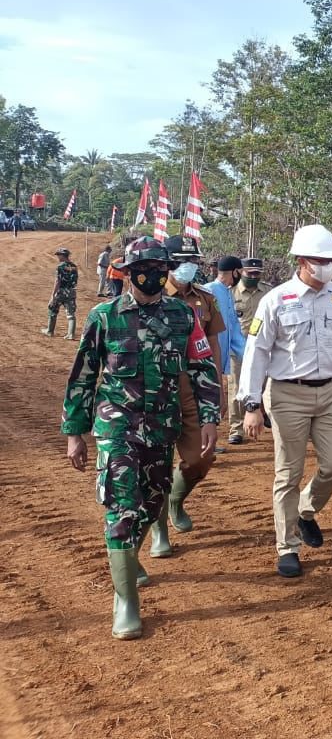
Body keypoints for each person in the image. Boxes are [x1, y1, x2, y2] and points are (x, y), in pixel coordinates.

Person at [61, 236, 219, 639]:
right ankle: (126, 600)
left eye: (159, 268)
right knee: (122, 506)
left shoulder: (183, 316)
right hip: (117, 427)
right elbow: (83, 376)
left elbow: (202, 369)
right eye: (142, 269)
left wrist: (209, 418)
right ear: (128, 273)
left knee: (152, 501)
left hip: (161, 426)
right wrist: (75, 433)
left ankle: (131, 561)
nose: (151, 275)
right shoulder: (104, 316)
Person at [237, 224, 332, 578]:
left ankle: (305, 511)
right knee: (289, 473)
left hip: (331, 391)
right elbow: (257, 353)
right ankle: (287, 547)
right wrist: (252, 405)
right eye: (321, 260)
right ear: (301, 261)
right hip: (287, 394)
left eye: (331, 260)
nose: (328, 266)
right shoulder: (276, 300)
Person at [148, 235, 226, 556]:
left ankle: (176, 500)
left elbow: (212, 344)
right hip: (157, 390)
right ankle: (158, 531)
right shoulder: (148, 295)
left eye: (193, 262)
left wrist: (218, 386)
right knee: (156, 464)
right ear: (166, 263)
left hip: (194, 388)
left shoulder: (205, 299)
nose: (188, 267)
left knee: (201, 459)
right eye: (182, 261)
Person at [227, 257, 270, 445]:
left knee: (266, 386)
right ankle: (236, 428)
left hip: (264, 348)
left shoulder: (269, 293)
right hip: (238, 348)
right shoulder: (230, 293)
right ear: (240, 272)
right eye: (249, 273)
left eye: (257, 273)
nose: (253, 276)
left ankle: (266, 415)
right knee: (237, 388)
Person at [208, 256, 247, 452]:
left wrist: (247, 355)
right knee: (209, 399)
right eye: (239, 272)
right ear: (234, 272)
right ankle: (203, 444)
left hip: (220, 357)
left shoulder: (227, 293)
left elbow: (233, 329)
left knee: (214, 399)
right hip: (207, 358)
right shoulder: (210, 291)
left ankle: (207, 442)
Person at [41, 248, 80, 340]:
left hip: (61, 291)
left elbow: (57, 281)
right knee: (71, 313)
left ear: (63, 255)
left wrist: (53, 295)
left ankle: (50, 331)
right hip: (71, 291)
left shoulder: (60, 267)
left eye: (58, 255)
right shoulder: (74, 266)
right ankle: (71, 334)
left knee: (52, 309)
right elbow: (75, 280)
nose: (58, 257)